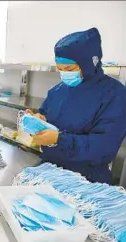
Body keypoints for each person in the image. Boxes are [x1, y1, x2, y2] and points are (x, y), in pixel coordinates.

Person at [27, 27, 126, 184]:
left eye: (69, 69)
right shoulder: (58, 90)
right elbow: (47, 115)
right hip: (49, 170)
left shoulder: (114, 94)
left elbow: (103, 147)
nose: (64, 74)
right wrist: (39, 121)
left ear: (90, 63)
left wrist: (59, 139)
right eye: (60, 69)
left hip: (86, 180)